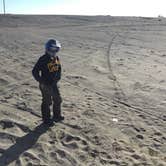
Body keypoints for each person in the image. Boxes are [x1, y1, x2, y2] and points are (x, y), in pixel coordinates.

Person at [32, 39, 64, 125]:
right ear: (47, 49)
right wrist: (41, 81)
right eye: (52, 50)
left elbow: (59, 68)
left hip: (53, 84)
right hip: (45, 84)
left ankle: (56, 115)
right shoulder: (43, 59)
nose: (54, 52)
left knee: (58, 99)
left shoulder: (56, 58)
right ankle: (46, 119)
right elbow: (35, 71)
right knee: (47, 101)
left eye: (56, 50)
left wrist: (58, 77)